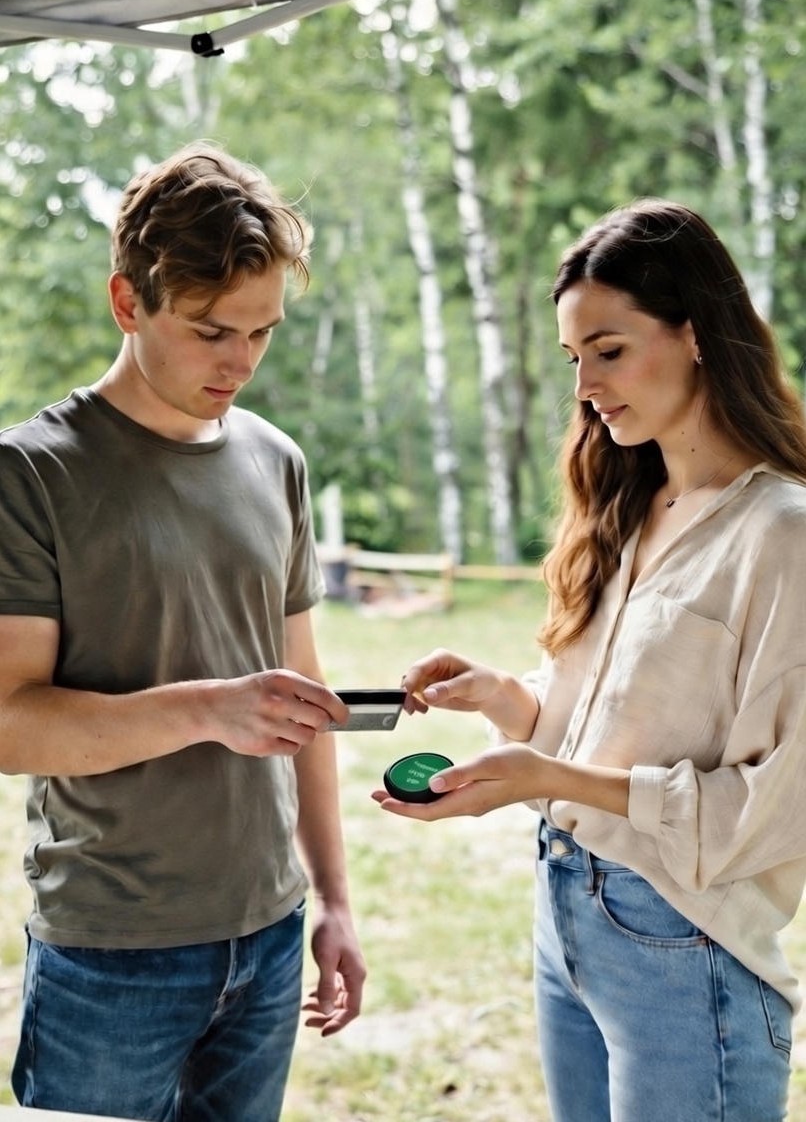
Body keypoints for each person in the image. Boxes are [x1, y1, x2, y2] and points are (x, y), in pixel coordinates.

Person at [373, 199, 806, 1121]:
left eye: (608, 350)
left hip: (686, 945)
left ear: (695, 333)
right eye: (574, 358)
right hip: (567, 912)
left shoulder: (783, 534)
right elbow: (614, 728)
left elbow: (777, 805)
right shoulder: (628, 505)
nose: (586, 386)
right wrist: (505, 698)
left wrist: (549, 776)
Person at [0, 142, 365, 1121]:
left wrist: (332, 899)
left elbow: (302, 700)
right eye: (211, 331)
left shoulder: (276, 461)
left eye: (262, 331)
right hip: (111, 953)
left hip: (272, 935)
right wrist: (208, 709)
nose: (240, 361)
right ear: (129, 301)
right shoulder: (31, 474)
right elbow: (10, 723)